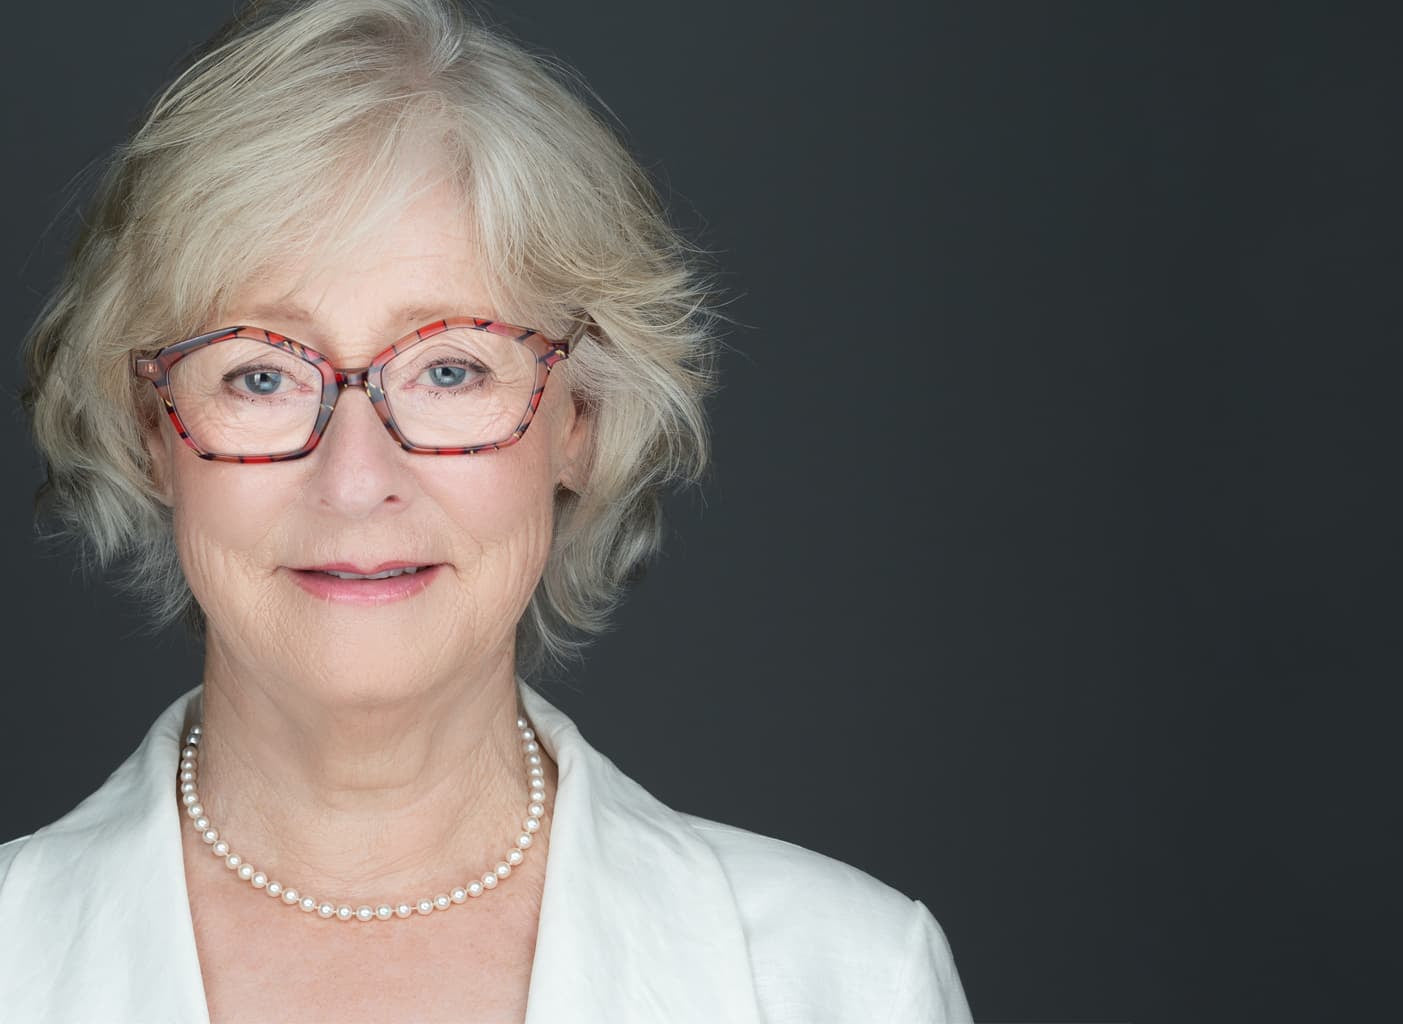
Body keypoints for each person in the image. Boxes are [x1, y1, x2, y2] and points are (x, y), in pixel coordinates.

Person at [0, 0, 970, 1021]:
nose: (355, 477)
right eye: (258, 377)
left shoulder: (846, 979)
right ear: (155, 430)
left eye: (450, 367)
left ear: (580, 416)